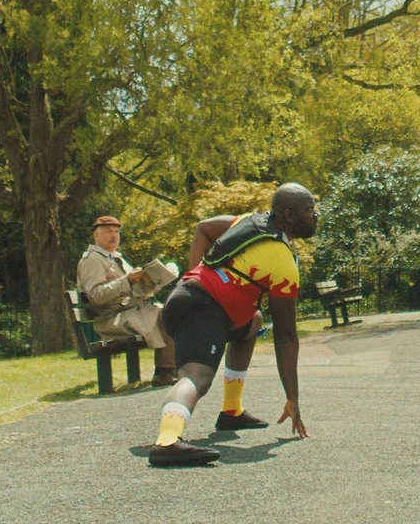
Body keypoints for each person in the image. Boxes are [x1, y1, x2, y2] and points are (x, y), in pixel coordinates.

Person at [147, 183, 318, 467]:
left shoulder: (246, 222)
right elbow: (286, 337)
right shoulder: (283, 264)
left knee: (253, 323)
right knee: (196, 378)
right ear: (289, 215)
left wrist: (189, 275)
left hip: (188, 298)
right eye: (309, 210)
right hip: (202, 308)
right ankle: (167, 441)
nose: (315, 215)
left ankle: (231, 411)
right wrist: (293, 398)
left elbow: (203, 228)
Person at [76, 215, 177, 387]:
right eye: (108, 231)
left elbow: (135, 291)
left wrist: (156, 282)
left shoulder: (116, 258)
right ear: (96, 235)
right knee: (163, 313)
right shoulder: (92, 260)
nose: (113, 235)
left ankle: (169, 369)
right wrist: (127, 281)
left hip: (128, 313)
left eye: (116, 232)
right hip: (110, 319)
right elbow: (96, 296)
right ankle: (165, 372)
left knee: (171, 309)